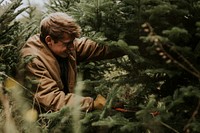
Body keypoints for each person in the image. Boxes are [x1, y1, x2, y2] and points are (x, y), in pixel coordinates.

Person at [17, 12, 125, 113]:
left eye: (73, 42)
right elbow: (51, 99)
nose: (72, 47)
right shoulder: (33, 60)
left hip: (63, 110)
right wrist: (92, 104)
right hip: (40, 118)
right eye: (67, 44)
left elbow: (95, 47)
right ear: (49, 40)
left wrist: (125, 44)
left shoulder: (65, 45)